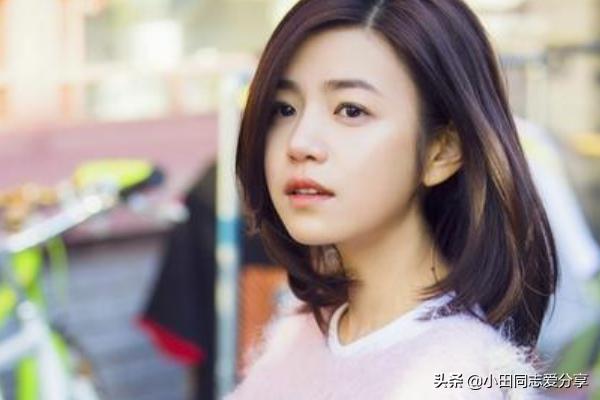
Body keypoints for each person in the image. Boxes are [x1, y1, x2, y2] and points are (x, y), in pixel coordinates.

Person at [227, 0, 558, 398]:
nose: (299, 143)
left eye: (351, 110)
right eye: (284, 109)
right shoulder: (297, 336)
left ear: (441, 151)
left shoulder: (461, 375)